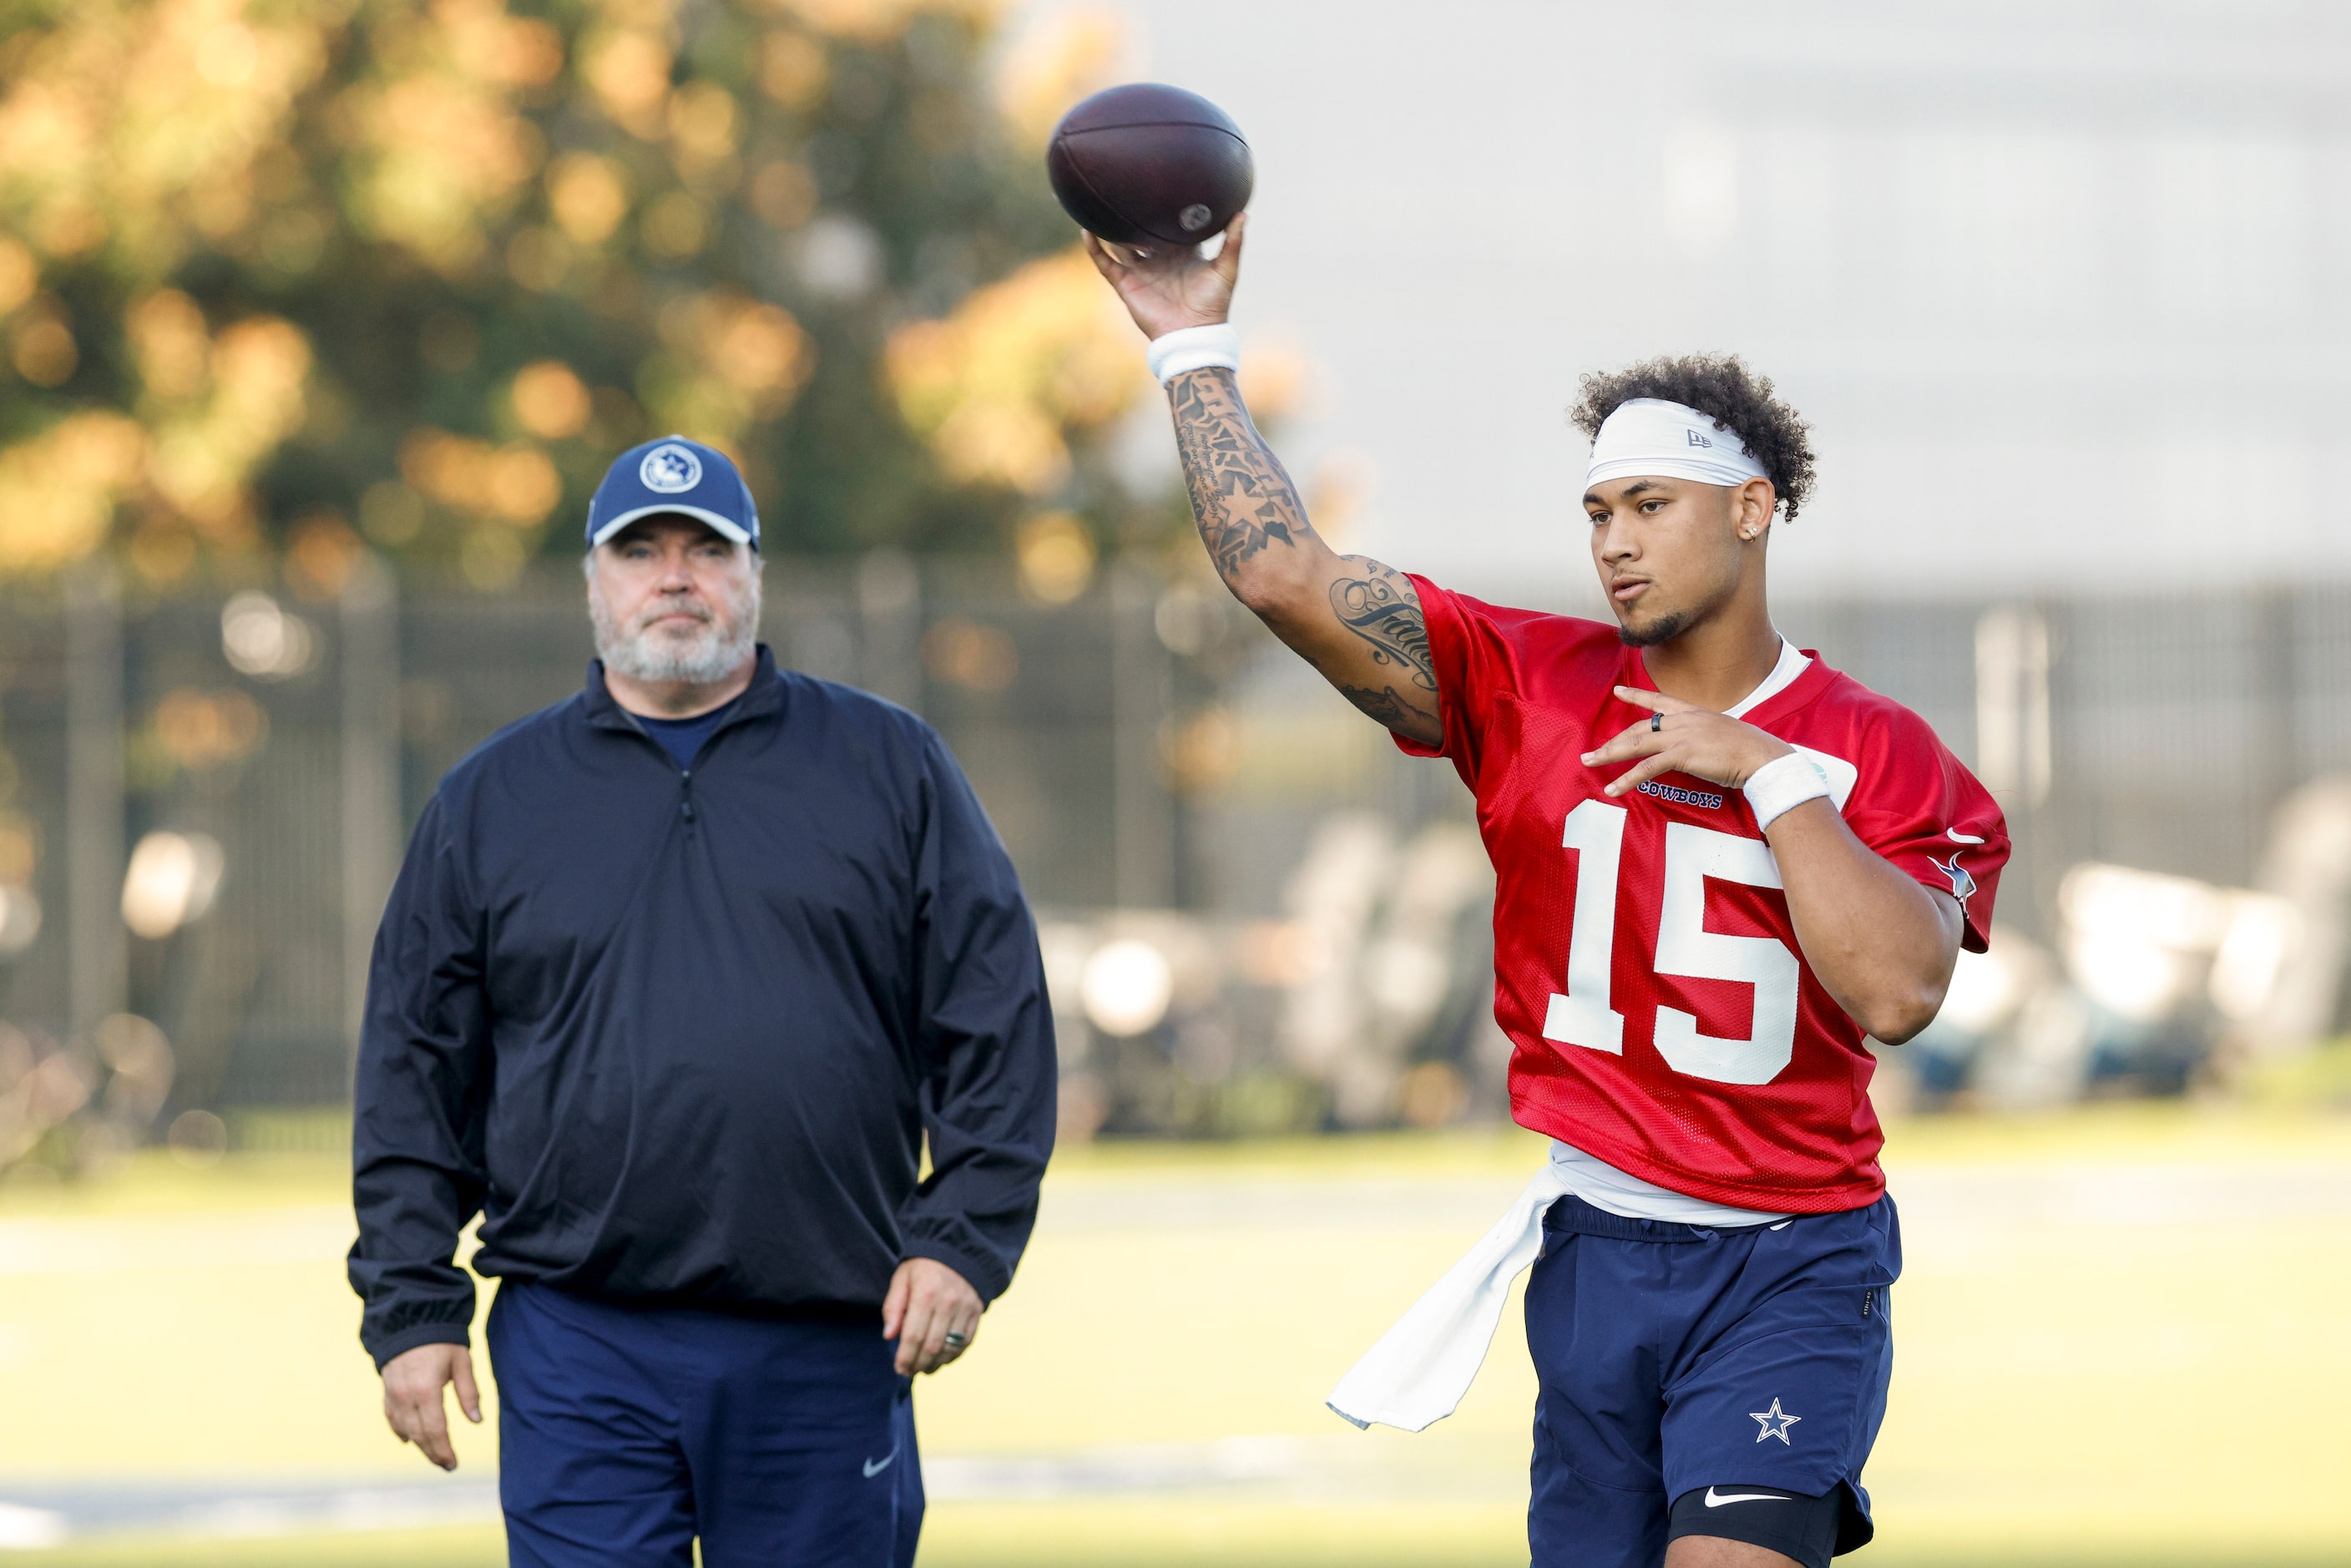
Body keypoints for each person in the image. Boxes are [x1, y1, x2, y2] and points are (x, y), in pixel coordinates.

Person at [1086, 221, 2007, 1568]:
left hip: (1788, 1261)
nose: (1614, 543)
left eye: (1651, 506)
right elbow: (1282, 575)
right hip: (1597, 1249)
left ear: (1752, 508)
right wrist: (1189, 344)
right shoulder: (1524, 682)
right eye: (1596, 511)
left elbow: (1900, 990)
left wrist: (1769, 772)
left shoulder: (1875, 749)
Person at [348, 436, 1056, 1568]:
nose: (675, 575)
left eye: (705, 549)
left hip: (828, 1337)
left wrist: (964, 1241)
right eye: (641, 550)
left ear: (753, 574)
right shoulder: (492, 799)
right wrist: (411, 1305)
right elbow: (412, 1069)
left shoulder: (888, 766)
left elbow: (997, 1023)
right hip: (580, 1340)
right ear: (595, 581)